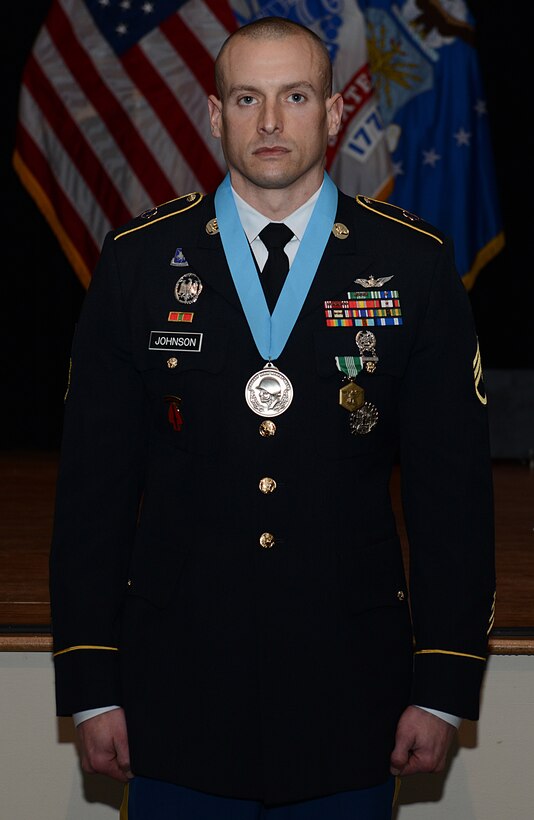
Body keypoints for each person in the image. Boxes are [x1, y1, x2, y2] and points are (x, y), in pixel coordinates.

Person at [49, 16, 495, 820]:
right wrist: (89, 685)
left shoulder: (412, 265)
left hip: (351, 692)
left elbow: (453, 498)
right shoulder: (140, 262)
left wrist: (443, 684)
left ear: (332, 113)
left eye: (295, 96)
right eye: (246, 97)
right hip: (175, 692)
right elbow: (92, 495)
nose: (269, 122)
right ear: (215, 114)